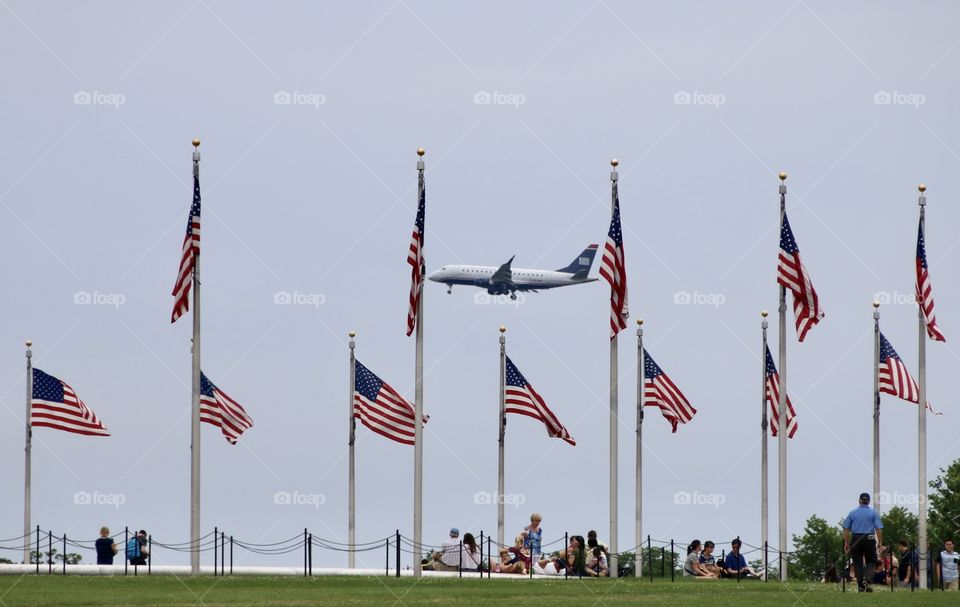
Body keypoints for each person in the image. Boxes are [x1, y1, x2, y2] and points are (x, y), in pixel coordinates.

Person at [842, 492, 883, 592]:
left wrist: (846, 543)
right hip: (869, 538)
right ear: (868, 501)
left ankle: (860, 585)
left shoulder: (852, 513)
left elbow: (846, 529)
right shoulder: (873, 513)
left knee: (857, 562)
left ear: (859, 501)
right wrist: (880, 542)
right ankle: (867, 581)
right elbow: (878, 529)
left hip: (856, 538)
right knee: (872, 560)